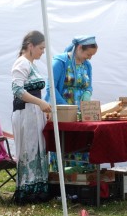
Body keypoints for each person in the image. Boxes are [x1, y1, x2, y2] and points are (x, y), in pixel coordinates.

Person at [44, 35, 98, 171]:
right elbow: (51, 87)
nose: (90, 57)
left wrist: (88, 93)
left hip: (80, 113)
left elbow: (88, 85)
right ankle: (62, 177)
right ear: (79, 48)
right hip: (62, 112)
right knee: (64, 143)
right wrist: (66, 107)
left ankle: (83, 175)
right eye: (88, 54)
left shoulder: (87, 65)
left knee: (81, 142)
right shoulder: (60, 62)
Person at [11, 30, 52, 205]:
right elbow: (18, 91)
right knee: (28, 150)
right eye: (41, 48)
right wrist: (39, 103)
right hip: (25, 114)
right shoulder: (21, 64)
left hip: (35, 113)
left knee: (38, 149)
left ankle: (38, 190)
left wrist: (42, 107)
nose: (43, 51)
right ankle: (27, 191)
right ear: (31, 46)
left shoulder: (31, 64)